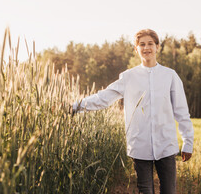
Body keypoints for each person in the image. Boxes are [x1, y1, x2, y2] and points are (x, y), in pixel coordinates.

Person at [73, 29, 194, 194]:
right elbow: (104, 98)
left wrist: (188, 141)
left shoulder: (170, 76)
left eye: (150, 44)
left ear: (157, 47)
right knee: (146, 192)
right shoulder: (128, 77)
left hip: (166, 145)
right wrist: (75, 106)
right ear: (135, 49)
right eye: (141, 44)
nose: (146, 48)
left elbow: (181, 111)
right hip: (140, 146)